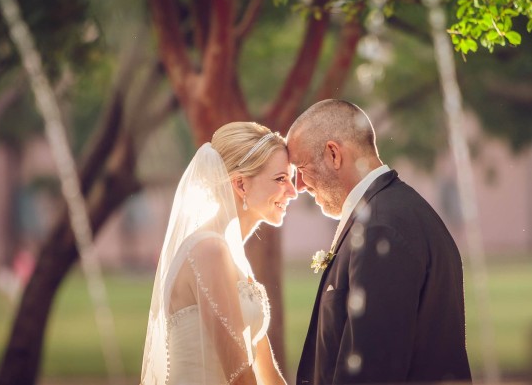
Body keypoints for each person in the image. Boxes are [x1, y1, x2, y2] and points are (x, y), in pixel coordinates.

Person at [287, 99, 472, 384]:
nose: (298, 185)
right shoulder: (396, 210)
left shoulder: (380, 228)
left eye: (301, 167)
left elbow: (370, 369)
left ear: (333, 154)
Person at [140, 122, 298, 385]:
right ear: (240, 185)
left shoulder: (232, 255)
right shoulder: (208, 251)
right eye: (281, 179)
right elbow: (239, 376)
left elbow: (267, 372)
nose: (293, 192)